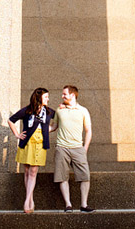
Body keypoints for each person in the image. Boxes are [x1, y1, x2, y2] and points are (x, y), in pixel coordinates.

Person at [8, 87, 55, 214]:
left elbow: (58, 121)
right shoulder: (28, 110)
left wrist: (49, 129)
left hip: (40, 143)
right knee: (27, 171)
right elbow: (11, 120)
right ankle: (30, 199)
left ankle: (27, 200)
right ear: (39, 97)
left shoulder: (49, 112)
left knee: (33, 171)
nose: (48, 99)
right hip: (27, 142)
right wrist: (17, 134)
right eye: (46, 97)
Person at [50, 84, 94, 213]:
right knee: (62, 177)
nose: (62, 96)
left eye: (65, 94)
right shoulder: (59, 110)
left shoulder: (83, 110)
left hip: (78, 148)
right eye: (62, 94)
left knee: (85, 176)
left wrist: (84, 148)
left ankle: (84, 205)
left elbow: (89, 131)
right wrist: (38, 130)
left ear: (72, 95)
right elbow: (53, 127)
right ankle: (68, 205)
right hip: (61, 148)